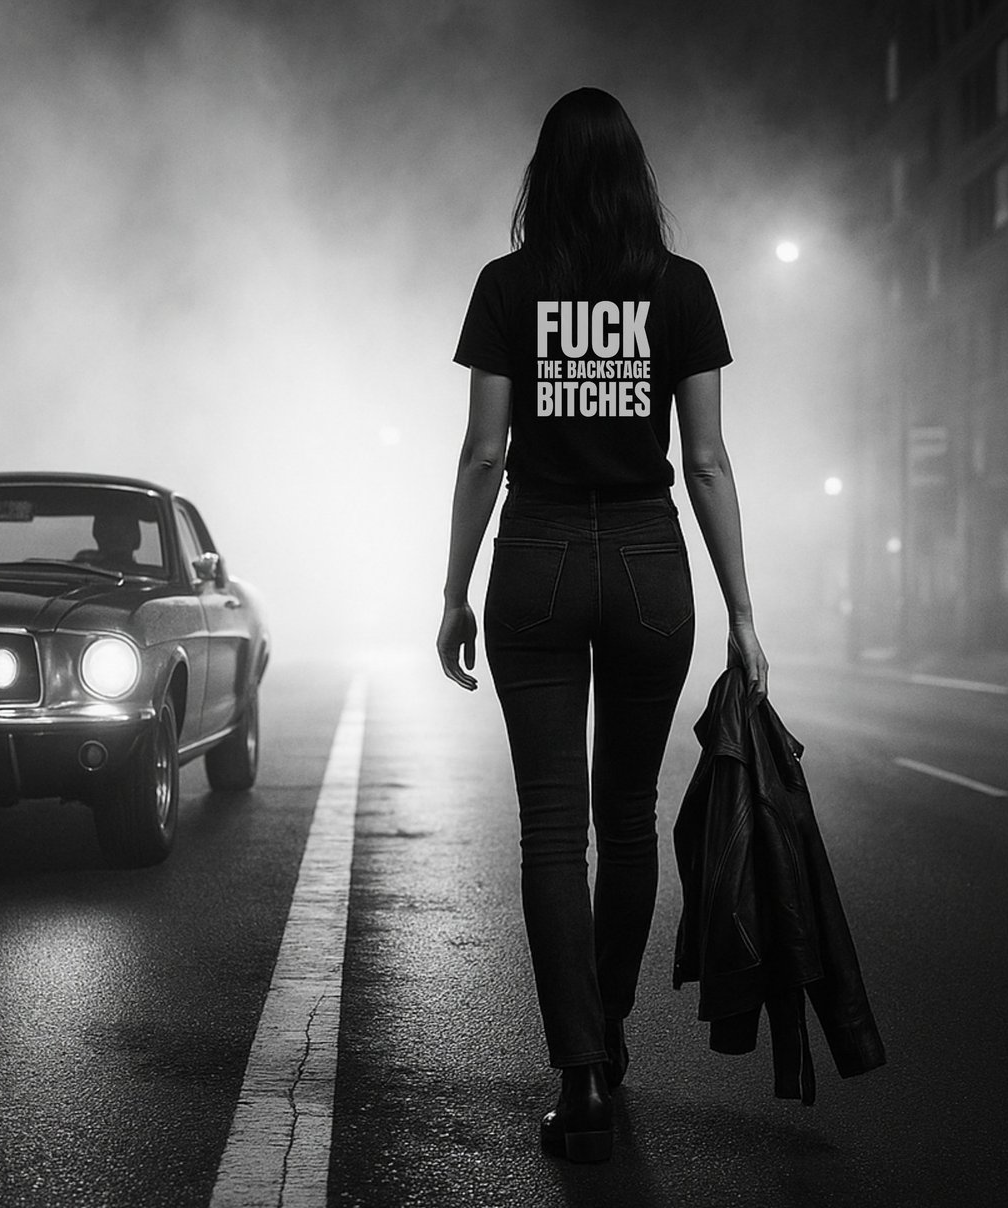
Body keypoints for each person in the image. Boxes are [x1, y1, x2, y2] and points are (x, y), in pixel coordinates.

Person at [436, 87, 769, 1164]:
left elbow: (484, 450)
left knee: (550, 827)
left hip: (532, 554)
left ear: (545, 176)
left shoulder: (507, 286)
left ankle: (578, 1070)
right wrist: (744, 612)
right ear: (636, 178)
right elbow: (708, 459)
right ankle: (609, 1024)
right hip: (642, 559)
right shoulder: (682, 290)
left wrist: (452, 590)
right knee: (626, 815)